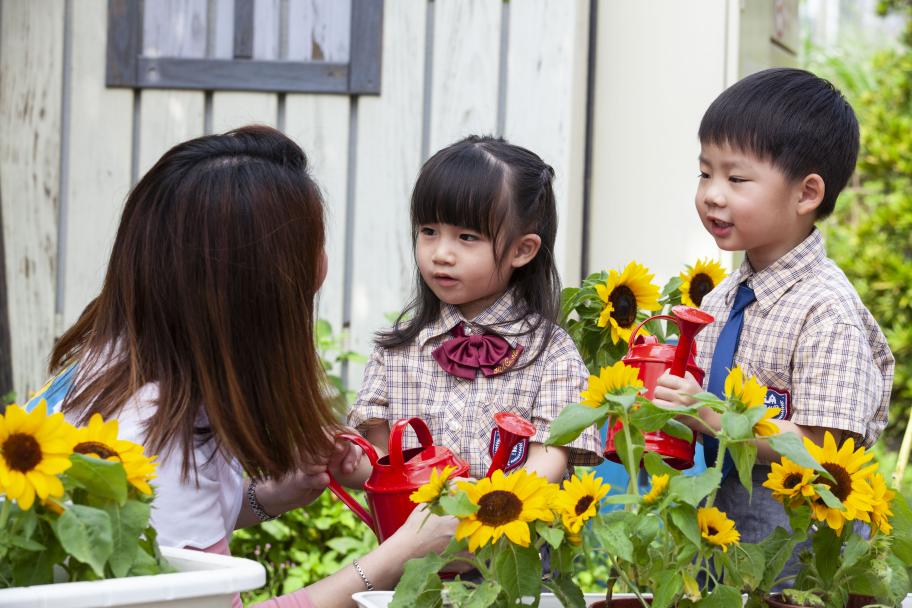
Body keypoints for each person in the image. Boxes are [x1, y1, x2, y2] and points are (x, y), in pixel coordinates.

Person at [27, 125, 458, 608]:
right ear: (260, 287)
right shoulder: (154, 434)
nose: (321, 264)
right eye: (309, 245)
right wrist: (391, 560)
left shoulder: (116, 358)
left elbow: (156, 536)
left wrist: (268, 496)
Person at [653, 68, 894, 572]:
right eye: (705, 173)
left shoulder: (827, 313)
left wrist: (713, 417)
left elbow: (826, 447)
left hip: (799, 547)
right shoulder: (723, 300)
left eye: (736, 178)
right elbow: (699, 407)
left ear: (806, 194)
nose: (713, 194)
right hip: (723, 533)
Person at [341, 136, 602, 486]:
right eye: (429, 231)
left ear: (522, 250)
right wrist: (337, 459)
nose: (441, 254)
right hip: (411, 540)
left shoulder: (552, 354)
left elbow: (549, 459)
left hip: (509, 534)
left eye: (466, 237)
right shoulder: (397, 352)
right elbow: (376, 469)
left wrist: (479, 504)